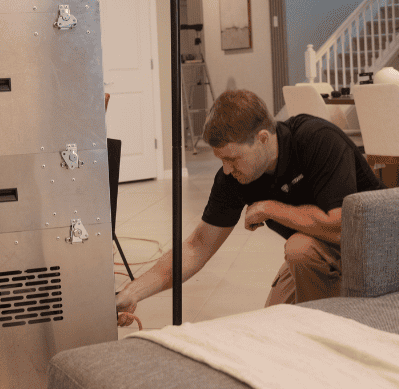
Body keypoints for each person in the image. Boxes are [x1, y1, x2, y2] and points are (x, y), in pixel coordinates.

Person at [115, 89, 384, 322]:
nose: (227, 170)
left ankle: (333, 330)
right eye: (221, 160)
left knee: (299, 249)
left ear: (263, 138)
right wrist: (132, 292)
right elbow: (197, 248)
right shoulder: (235, 175)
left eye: (233, 158)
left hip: (373, 243)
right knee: (271, 327)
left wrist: (270, 208)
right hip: (321, 251)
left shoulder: (316, 139)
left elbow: (341, 227)